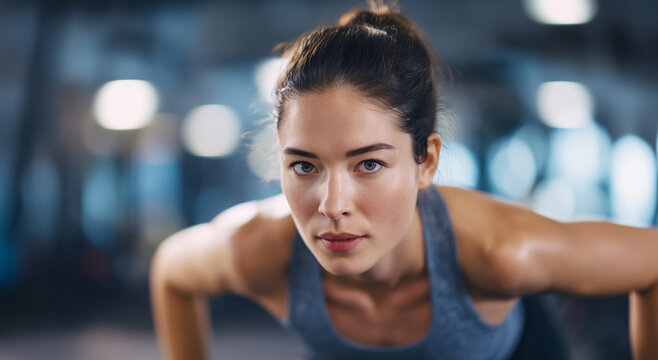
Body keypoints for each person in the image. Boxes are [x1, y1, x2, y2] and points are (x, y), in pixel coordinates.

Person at [150, 3, 658, 360]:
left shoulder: (504, 252)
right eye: (304, 165)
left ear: (426, 162)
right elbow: (172, 271)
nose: (331, 205)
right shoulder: (257, 249)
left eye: (368, 164)